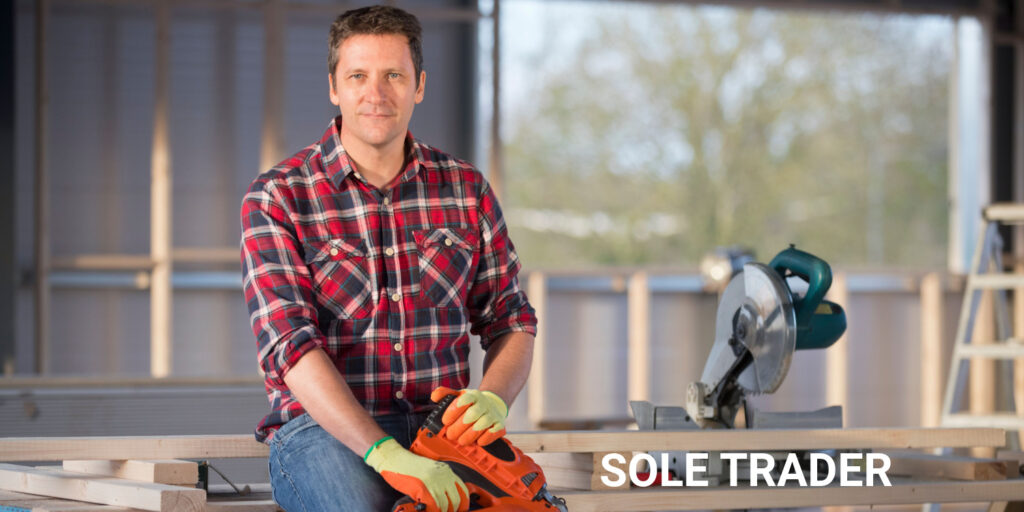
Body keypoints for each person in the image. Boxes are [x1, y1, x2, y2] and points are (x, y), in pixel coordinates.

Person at [240, 5, 537, 511]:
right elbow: (290, 347)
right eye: (358, 76)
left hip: (441, 428)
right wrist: (381, 450)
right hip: (323, 435)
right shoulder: (278, 198)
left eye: (393, 76)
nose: (375, 93)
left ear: (419, 85)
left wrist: (494, 397)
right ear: (334, 87)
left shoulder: (466, 190)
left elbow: (511, 318)